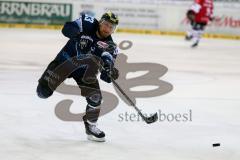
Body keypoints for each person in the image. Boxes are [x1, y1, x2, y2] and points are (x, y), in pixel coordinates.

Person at [36, 11, 120, 142]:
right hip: (64, 61)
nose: (107, 29)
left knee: (96, 98)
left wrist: (109, 71)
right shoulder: (87, 22)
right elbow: (67, 29)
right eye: (106, 24)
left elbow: (107, 72)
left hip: (84, 71)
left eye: (111, 27)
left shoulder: (110, 46)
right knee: (42, 93)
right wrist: (75, 32)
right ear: (100, 22)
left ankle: (91, 127)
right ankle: (44, 84)